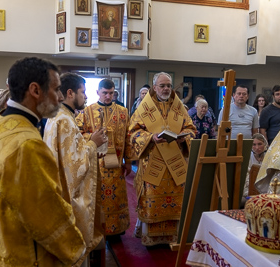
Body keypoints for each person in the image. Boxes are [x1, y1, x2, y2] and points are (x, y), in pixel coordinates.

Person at [0, 57, 87, 266]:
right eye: (56, 90)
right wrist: (76, 250)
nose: (61, 97)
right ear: (36, 91)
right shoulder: (26, 145)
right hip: (26, 253)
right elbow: (46, 216)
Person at [44, 73, 107, 265]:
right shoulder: (65, 121)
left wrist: (87, 142)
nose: (86, 97)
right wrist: (93, 144)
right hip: (66, 197)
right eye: (83, 92)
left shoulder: (59, 115)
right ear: (70, 93)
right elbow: (74, 167)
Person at [128, 72, 196, 246]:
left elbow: (191, 129)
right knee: (152, 200)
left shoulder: (179, 107)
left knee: (177, 201)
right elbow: (133, 133)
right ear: (154, 87)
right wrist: (151, 137)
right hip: (153, 162)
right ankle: (151, 239)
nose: (166, 89)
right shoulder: (144, 108)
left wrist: (184, 137)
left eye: (168, 86)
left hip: (175, 162)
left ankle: (174, 237)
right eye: (162, 86)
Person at [76, 78, 132, 236]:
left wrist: (128, 161)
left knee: (116, 197)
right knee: (99, 197)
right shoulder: (87, 111)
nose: (108, 96)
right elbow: (78, 133)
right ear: (98, 92)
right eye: (105, 93)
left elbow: (128, 137)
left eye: (111, 93)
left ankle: (117, 229)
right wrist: (93, 137)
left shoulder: (123, 111)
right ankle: (100, 228)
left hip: (117, 164)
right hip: (97, 164)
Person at [242, 133, 268, 199]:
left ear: (265, 144)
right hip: (250, 185)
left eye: (260, 144)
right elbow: (246, 175)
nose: (257, 147)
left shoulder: (269, 157)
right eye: (254, 145)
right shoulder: (248, 157)